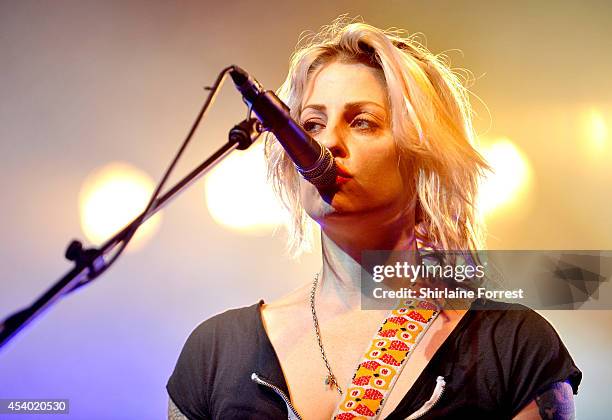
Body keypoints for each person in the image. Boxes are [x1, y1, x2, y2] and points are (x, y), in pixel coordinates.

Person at [167, 19, 581, 419]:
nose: (327, 142)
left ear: (423, 157)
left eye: (362, 122)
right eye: (311, 124)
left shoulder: (513, 348)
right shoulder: (215, 352)